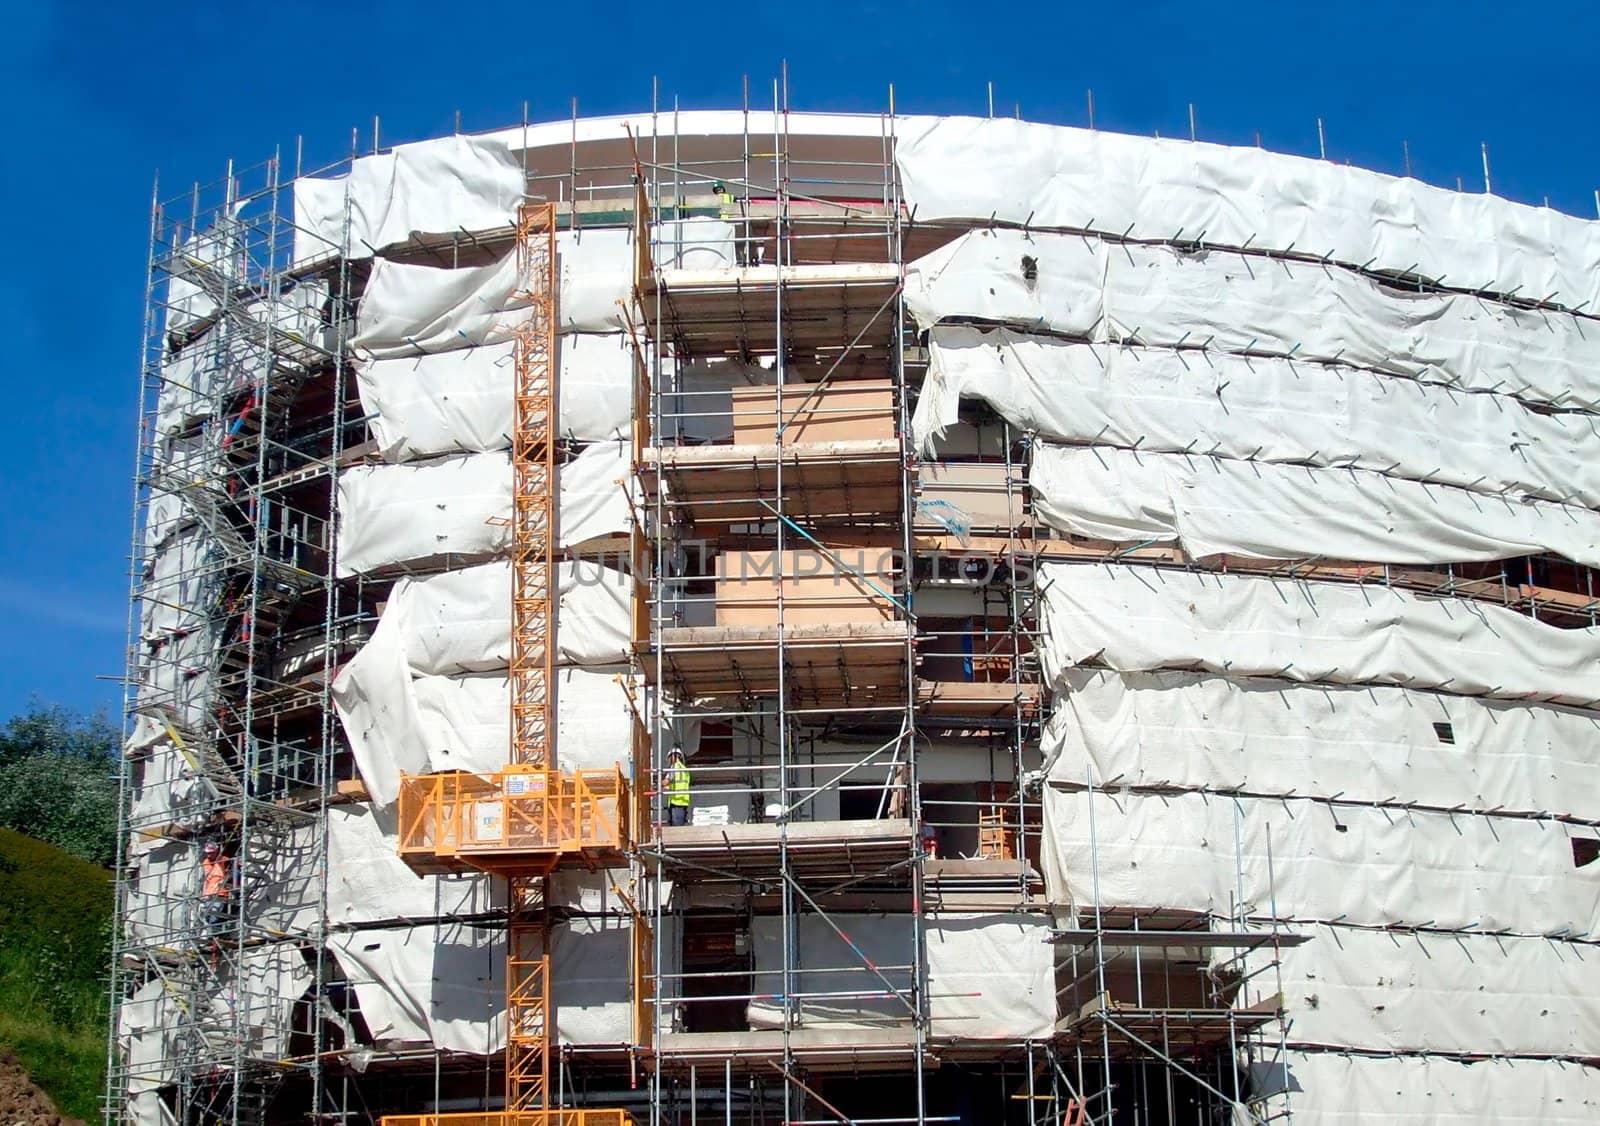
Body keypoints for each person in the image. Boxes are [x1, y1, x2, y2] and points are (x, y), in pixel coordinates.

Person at [200, 841, 232, 936]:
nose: (209, 855)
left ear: (217, 851)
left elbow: (234, 871)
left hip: (220, 893)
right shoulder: (206, 862)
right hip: (208, 894)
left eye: (211, 853)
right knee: (207, 917)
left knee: (215, 916)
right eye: (208, 853)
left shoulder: (224, 860)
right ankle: (214, 936)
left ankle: (213, 937)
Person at [665, 748, 692, 826]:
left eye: (670, 758)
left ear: (674, 756)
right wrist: (669, 787)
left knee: (676, 826)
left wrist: (658, 785)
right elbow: (679, 784)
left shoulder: (674, 767)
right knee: (680, 826)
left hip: (676, 802)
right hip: (683, 801)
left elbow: (667, 780)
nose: (669, 760)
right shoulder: (684, 769)